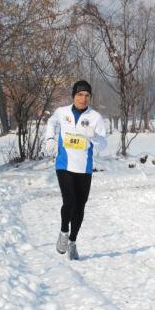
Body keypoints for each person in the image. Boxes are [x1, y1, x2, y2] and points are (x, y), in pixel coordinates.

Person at [45, 80, 107, 260]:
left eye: (87, 95)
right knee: (69, 199)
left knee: (80, 206)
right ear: (74, 95)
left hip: (84, 168)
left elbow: (103, 145)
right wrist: (50, 139)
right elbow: (51, 123)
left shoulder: (95, 117)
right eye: (80, 94)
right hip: (64, 164)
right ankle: (64, 232)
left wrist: (94, 136)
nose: (83, 98)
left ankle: (72, 241)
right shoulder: (61, 112)